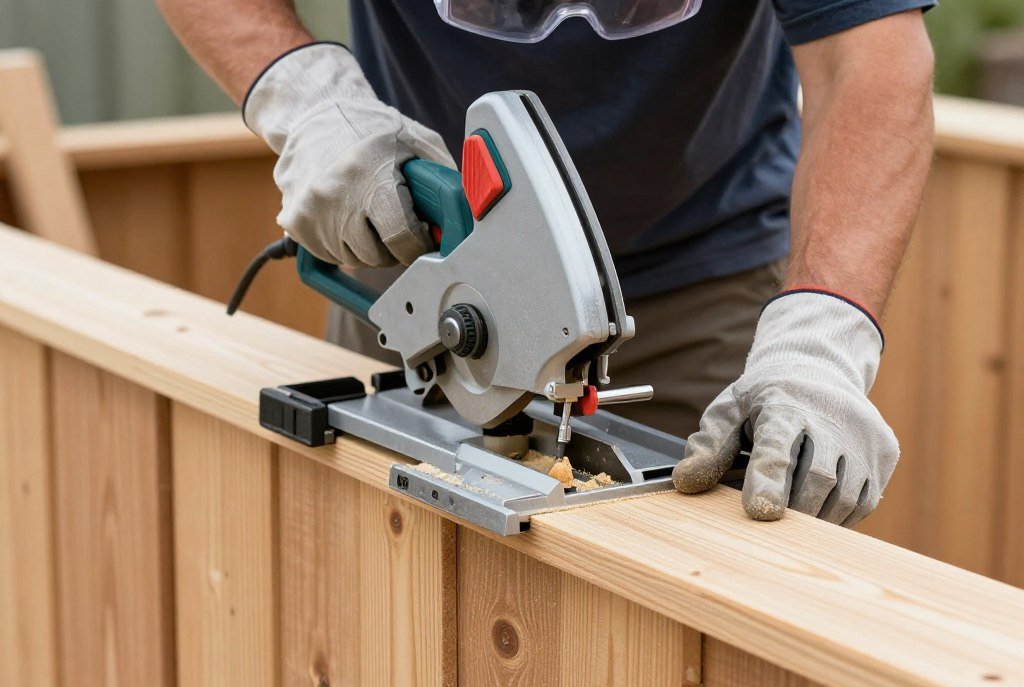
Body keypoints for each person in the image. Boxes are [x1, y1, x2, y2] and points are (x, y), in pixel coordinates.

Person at [157, 0, 935, 526]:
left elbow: (869, 59)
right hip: (420, 253)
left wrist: (821, 338)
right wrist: (308, 101)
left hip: (695, 271)